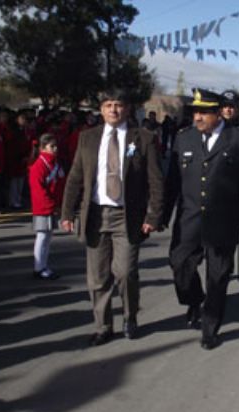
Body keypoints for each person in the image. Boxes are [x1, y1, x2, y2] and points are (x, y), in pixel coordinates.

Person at [60, 89, 164, 345]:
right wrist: (66, 212)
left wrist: (153, 215)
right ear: (101, 109)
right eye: (108, 105)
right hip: (95, 214)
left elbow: (156, 180)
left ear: (127, 108)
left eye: (118, 105)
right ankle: (103, 325)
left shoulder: (144, 138)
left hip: (126, 216)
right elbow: (75, 177)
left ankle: (130, 316)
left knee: (125, 272)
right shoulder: (88, 138)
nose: (113, 110)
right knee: (97, 277)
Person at [162, 88, 239, 350]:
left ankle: (210, 328)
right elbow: (172, 182)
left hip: (223, 221)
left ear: (218, 113)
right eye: (195, 111)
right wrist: (161, 215)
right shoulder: (183, 139)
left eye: (203, 112)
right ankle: (194, 300)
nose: (197, 117)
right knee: (179, 265)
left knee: (218, 277)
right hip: (189, 220)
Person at [29, 133, 66, 279]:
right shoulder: (38, 166)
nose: (55, 149)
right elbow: (38, 190)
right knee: (42, 236)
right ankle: (38, 267)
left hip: (52, 205)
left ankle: (43, 265)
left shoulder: (55, 163)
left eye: (56, 146)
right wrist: (51, 205)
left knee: (48, 237)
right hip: (43, 207)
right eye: (52, 146)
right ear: (43, 148)